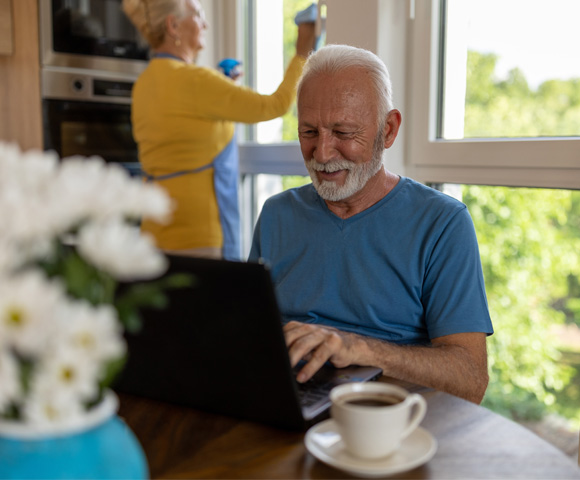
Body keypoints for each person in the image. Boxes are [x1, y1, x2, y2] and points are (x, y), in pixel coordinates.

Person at [249, 44, 494, 404]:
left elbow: (471, 379)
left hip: (390, 416)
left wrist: (359, 349)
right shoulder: (276, 214)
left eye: (344, 133)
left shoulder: (442, 223)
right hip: (287, 402)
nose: (323, 154)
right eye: (309, 133)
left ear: (388, 130)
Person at [122, 0, 315, 260]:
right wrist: (302, 53)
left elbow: (184, 127)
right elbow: (275, 105)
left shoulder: (144, 83)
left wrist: (221, 88)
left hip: (153, 233)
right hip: (198, 239)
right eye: (199, 15)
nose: (206, 23)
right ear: (173, 25)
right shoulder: (197, 82)